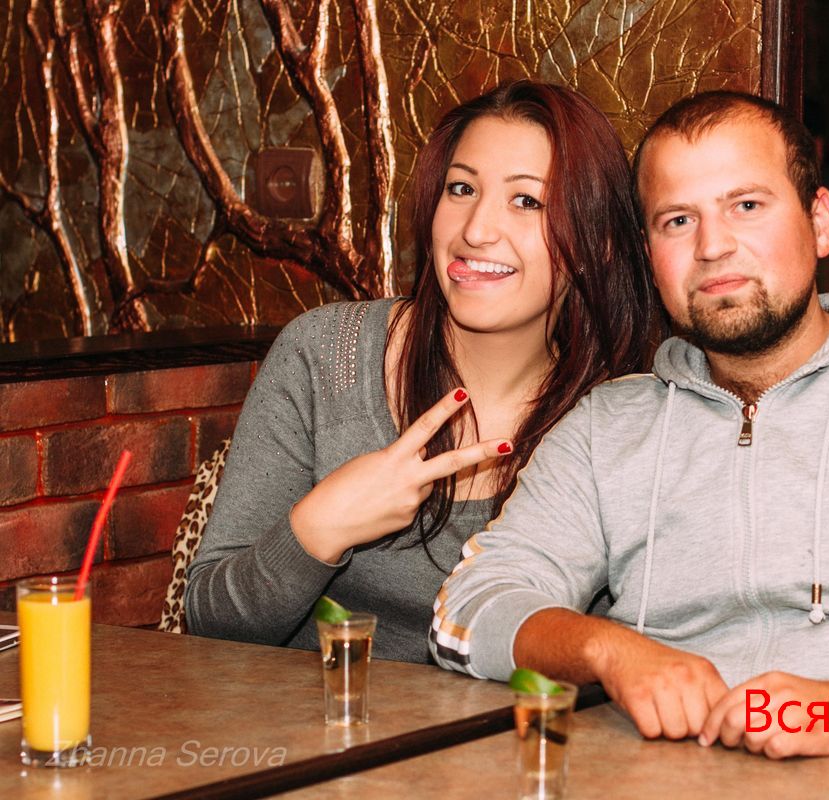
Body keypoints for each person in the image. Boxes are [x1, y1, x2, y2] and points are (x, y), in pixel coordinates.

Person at [431, 91, 829, 763]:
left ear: (819, 222)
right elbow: (468, 609)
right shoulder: (608, 424)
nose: (713, 246)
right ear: (649, 254)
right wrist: (607, 650)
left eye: (746, 206)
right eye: (678, 220)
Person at [185, 80, 661, 662]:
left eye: (526, 201)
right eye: (462, 189)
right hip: (317, 715)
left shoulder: (622, 422)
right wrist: (321, 528)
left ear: (597, 243)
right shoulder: (326, 353)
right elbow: (207, 622)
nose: (476, 230)